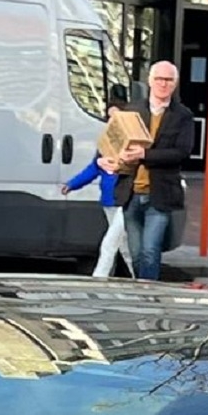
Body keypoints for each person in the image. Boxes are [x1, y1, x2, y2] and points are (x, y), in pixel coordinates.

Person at [123, 60, 196, 282]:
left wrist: (145, 155)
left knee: (149, 250)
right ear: (149, 81)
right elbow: (114, 142)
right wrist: (104, 161)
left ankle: (148, 295)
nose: (163, 84)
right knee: (135, 254)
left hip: (160, 193)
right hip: (131, 192)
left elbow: (182, 152)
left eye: (169, 80)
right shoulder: (133, 111)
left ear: (175, 84)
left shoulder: (183, 115)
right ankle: (140, 289)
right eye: (159, 79)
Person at [63, 83, 137, 277]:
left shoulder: (129, 143)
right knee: (123, 245)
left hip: (122, 199)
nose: (111, 120)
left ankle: (99, 277)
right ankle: (137, 276)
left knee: (110, 242)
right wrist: (72, 184)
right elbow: (94, 167)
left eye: (116, 117)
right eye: (110, 117)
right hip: (109, 201)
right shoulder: (106, 143)